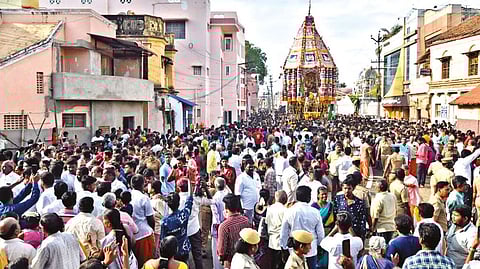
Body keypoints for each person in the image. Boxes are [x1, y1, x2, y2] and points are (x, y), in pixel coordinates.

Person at [280, 186, 325, 269]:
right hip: (310, 250)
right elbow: (320, 234)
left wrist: (284, 247)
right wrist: (318, 246)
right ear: (308, 197)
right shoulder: (315, 212)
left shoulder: (289, 211)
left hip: (295, 250)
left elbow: (283, 232)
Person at [217, 194, 251, 268]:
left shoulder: (224, 226)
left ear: (226, 208)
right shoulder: (246, 220)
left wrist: (222, 259)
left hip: (231, 261)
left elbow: (221, 250)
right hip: (246, 259)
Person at [130, 175, 155, 267]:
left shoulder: (128, 195)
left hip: (130, 235)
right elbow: (150, 218)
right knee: (147, 264)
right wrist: (152, 229)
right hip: (144, 235)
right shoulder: (143, 198)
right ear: (142, 184)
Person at [446, 205, 476, 269]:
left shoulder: (472, 234)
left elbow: (474, 256)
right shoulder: (453, 225)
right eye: (452, 214)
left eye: (456, 215)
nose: (452, 217)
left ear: (465, 218)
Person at [210, 177, 230, 269]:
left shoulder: (215, 198)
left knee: (217, 249)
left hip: (218, 227)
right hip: (228, 225)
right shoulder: (228, 195)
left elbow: (216, 217)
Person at [265, 190, 287, 269]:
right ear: (285, 199)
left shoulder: (270, 209)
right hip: (281, 241)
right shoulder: (285, 210)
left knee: (272, 263)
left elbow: (266, 222)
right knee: (280, 264)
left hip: (271, 240)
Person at [235, 158, 261, 222]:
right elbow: (237, 195)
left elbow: (259, 188)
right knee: (248, 226)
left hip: (257, 207)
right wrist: (240, 210)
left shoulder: (256, 175)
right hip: (247, 208)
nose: (251, 169)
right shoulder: (241, 178)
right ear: (245, 166)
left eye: (252, 167)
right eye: (249, 167)